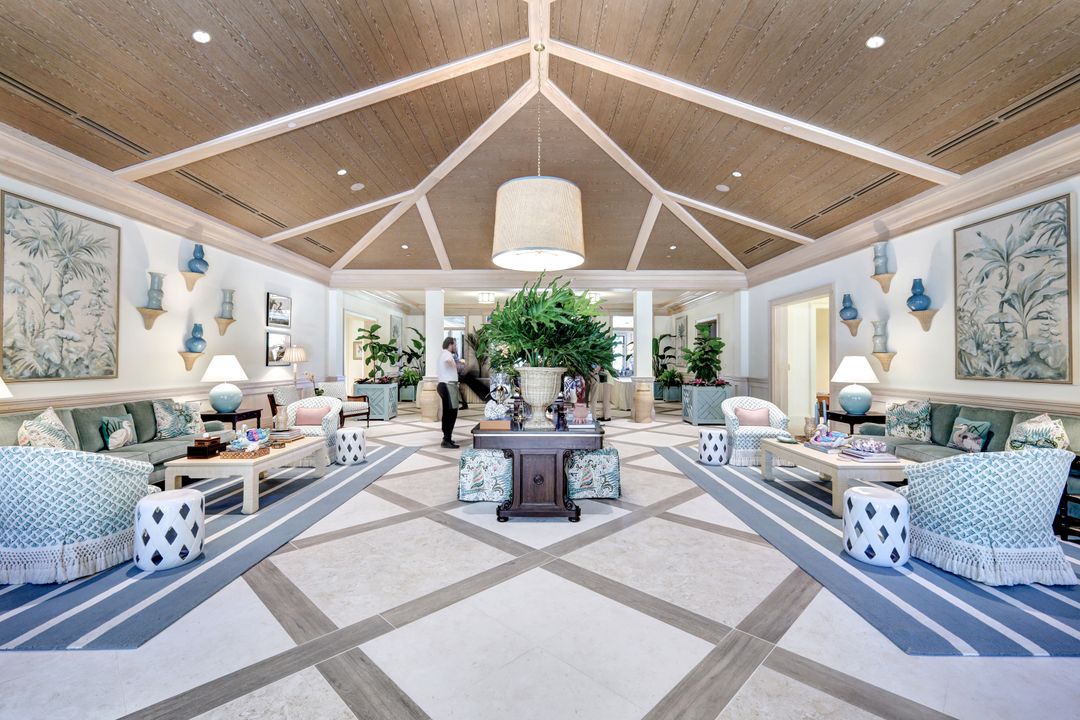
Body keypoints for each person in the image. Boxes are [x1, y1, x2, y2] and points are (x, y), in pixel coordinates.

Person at [437, 337, 460, 448]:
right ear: (450, 345)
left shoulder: (444, 353)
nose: (455, 347)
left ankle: (447, 438)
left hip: (445, 385)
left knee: (448, 412)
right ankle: (446, 439)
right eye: (455, 345)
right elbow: (448, 361)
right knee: (451, 413)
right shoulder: (447, 354)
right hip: (448, 386)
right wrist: (457, 365)